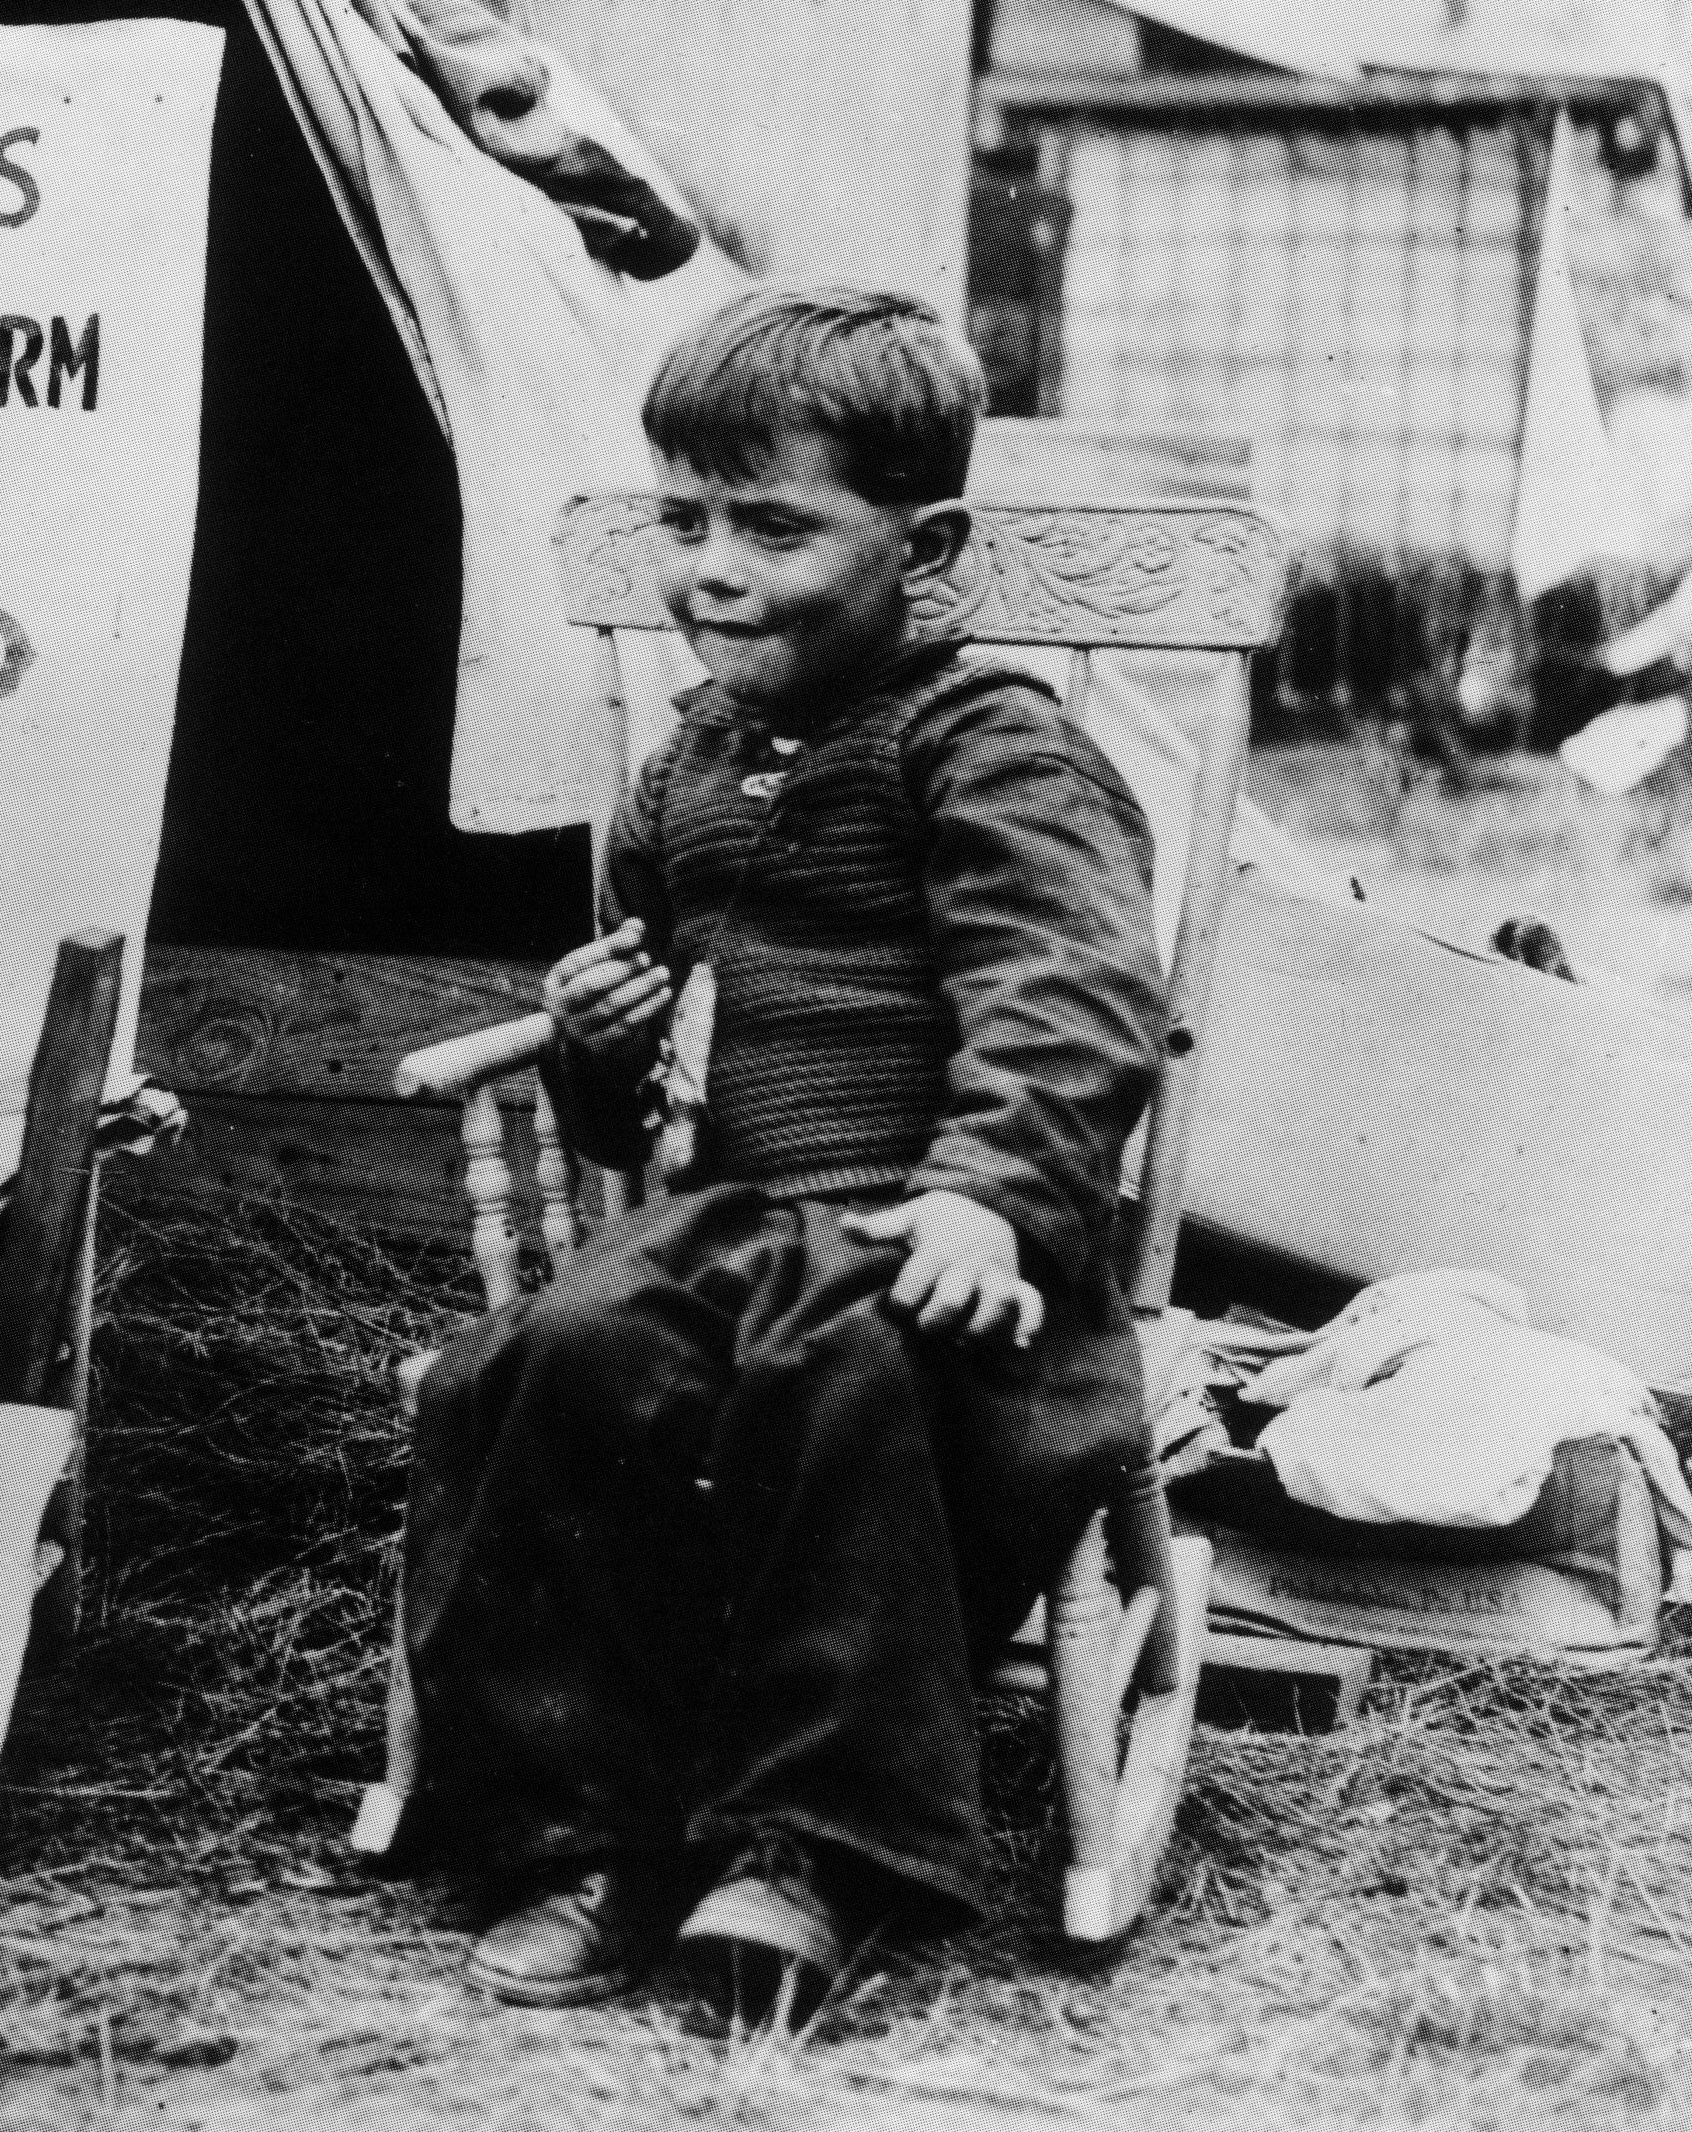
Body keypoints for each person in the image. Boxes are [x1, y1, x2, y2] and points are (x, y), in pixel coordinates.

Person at [404, 285, 1169, 2022]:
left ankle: (804, 1844)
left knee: (835, 1363)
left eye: (773, 525)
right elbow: (623, 1099)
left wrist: (986, 1188)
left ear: (929, 548)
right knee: (548, 1352)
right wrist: (600, 1051)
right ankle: (584, 1824)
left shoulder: (990, 748)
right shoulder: (685, 768)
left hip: (955, 1251)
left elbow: (1070, 995)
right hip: (742, 1225)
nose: (712, 568)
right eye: (683, 521)